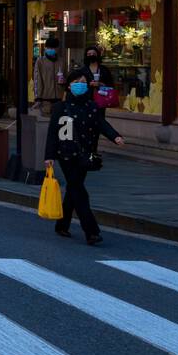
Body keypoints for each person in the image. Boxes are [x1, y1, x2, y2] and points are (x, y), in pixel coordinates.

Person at [45, 67, 125, 245]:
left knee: (74, 190)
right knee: (79, 192)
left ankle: (62, 225)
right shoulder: (60, 107)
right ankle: (91, 231)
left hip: (85, 156)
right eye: (76, 82)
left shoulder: (92, 106)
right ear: (68, 86)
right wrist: (48, 156)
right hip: (66, 155)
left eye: (83, 82)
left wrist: (115, 136)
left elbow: (101, 124)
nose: (79, 85)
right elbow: (52, 133)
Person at [31, 34, 65, 117]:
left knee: (58, 122)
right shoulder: (40, 61)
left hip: (59, 98)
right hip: (45, 99)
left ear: (57, 49)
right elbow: (37, 80)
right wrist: (38, 98)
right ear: (45, 48)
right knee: (46, 122)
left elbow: (66, 77)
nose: (51, 50)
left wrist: (64, 81)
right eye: (49, 48)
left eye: (53, 48)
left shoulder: (61, 61)